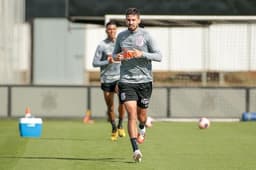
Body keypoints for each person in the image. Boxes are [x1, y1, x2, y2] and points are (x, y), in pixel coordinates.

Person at [112, 8, 162, 162]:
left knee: (141, 115)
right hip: (126, 81)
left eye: (133, 20)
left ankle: (143, 127)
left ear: (139, 20)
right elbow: (114, 56)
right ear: (125, 20)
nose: (130, 22)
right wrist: (118, 56)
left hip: (145, 82)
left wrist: (142, 54)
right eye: (128, 19)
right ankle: (136, 150)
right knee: (131, 114)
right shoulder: (121, 36)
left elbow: (159, 56)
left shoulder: (146, 36)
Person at [92, 21, 126, 141]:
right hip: (106, 79)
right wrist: (108, 61)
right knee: (110, 106)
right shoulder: (102, 45)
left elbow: (127, 56)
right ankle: (113, 127)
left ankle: (121, 124)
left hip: (119, 78)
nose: (112, 31)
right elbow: (95, 63)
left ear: (116, 30)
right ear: (106, 31)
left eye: (114, 29)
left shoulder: (121, 43)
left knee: (123, 102)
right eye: (109, 29)